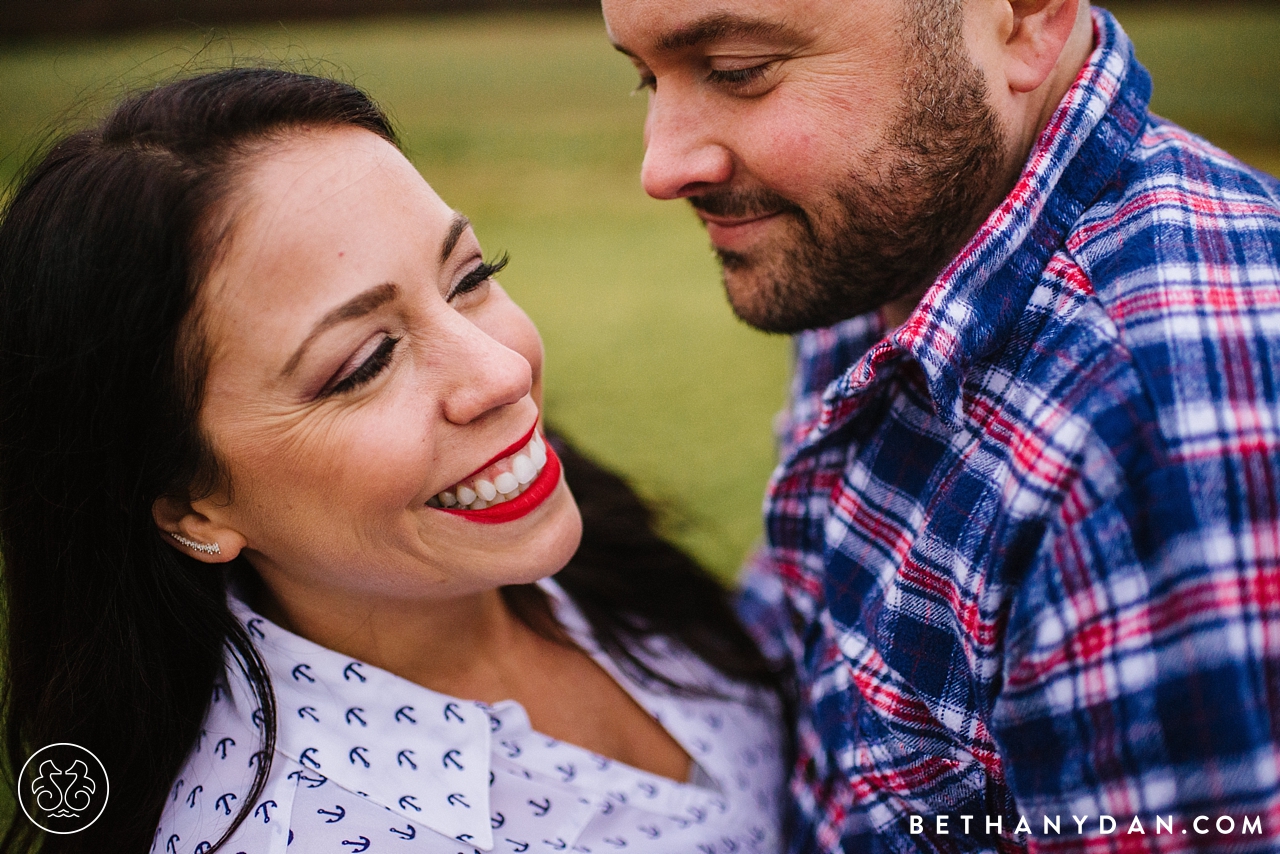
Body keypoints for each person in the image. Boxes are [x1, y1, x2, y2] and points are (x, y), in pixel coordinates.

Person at [0, 69, 787, 854]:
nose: (503, 373)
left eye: (471, 277)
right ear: (191, 506)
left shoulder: (564, 553)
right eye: (366, 363)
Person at [602, 0, 1280, 850]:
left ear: (1028, 19)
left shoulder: (1146, 435)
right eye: (643, 76)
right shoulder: (888, 244)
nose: (660, 166)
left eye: (740, 69)